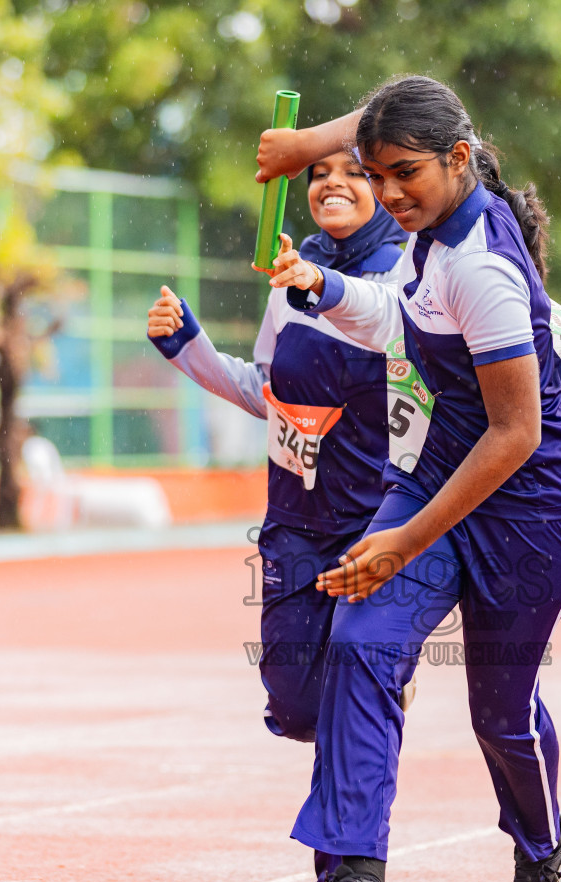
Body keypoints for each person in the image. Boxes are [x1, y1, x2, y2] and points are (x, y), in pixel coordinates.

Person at [259, 75, 561, 882]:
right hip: (439, 472)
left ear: (457, 159)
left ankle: (543, 844)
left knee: (501, 714)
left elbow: (517, 433)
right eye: (377, 174)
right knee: (362, 640)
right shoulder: (430, 238)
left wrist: (404, 538)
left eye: (404, 173)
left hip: (529, 506)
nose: (390, 194)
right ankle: (354, 876)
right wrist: (325, 288)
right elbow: (402, 323)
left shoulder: (480, 262)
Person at [145, 155, 407, 821]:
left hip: (377, 521)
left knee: (358, 679)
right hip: (294, 525)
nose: (331, 184)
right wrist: (190, 345)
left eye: (354, 171)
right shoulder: (286, 278)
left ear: (385, 186)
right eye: (317, 173)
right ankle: (367, 723)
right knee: (294, 705)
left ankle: (351, 863)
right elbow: (268, 390)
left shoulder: (410, 275)